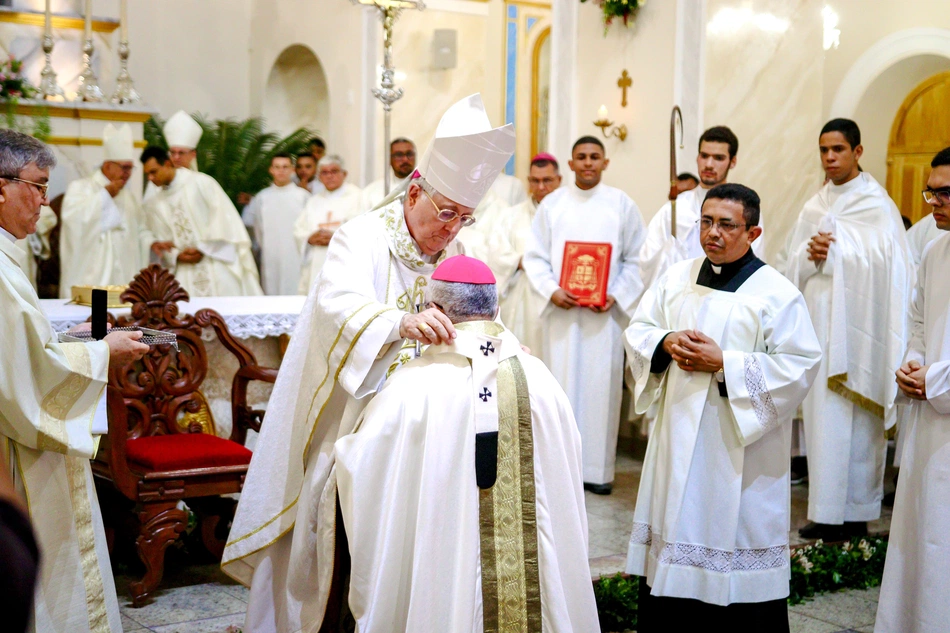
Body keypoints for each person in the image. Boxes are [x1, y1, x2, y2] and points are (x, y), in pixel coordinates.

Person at [222, 93, 514, 633]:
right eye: (445, 212)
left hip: (424, 423)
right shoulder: (362, 236)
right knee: (333, 526)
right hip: (350, 416)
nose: (451, 230)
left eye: (464, 218)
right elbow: (336, 303)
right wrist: (396, 322)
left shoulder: (453, 253)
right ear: (416, 190)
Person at [334, 254, 599, 632]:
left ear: (435, 310)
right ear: (495, 308)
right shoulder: (541, 378)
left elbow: (363, 467)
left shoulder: (412, 387)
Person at [624, 183, 821, 632]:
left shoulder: (777, 293)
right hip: (676, 438)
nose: (713, 233)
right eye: (707, 222)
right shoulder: (677, 277)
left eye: (727, 225)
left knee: (734, 549)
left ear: (753, 233)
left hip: (736, 450)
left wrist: (726, 365)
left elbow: (800, 365)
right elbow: (639, 328)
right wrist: (664, 341)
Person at [0, 129, 149, 633]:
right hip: (16, 449)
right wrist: (104, 351)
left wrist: (71, 337)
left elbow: (21, 347)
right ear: (1, 186)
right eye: (38, 186)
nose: (45, 201)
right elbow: (28, 376)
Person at [777, 118, 912, 541]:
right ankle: (825, 509)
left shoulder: (876, 202)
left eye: (838, 149)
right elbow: (789, 261)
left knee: (858, 422)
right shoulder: (815, 204)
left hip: (861, 331)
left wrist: (839, 255)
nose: (829, 158)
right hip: (820, 325)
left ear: (857, 152)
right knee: (823, 419)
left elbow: (893, 266)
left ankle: (858, 510)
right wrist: (809, 253)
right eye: (823, 150)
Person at [523, 135, 646, 494]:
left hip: (602, 318)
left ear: (605, 163)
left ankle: (597, 472)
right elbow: (535, 256)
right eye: (582, 157)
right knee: (560, 389)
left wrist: (615, 294)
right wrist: (552, 290)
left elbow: (637, 258)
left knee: (600, 391)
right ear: (571, 164)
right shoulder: (553, 205)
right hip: (562, 316)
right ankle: (559, 471)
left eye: (595, 157)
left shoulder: (621, 205)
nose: (589, 162)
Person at [875, 146, 950, 633]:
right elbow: (919, 321)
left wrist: (937, 380)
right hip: (930, 421)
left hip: (941, 398)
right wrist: (914, 364)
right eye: (931, 190)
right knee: (925, 533)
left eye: (943, 191)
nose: (932, 202)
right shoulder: (934, 249)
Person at [640, 126, 765, 288]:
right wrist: (668, 255)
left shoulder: (743, 209)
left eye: (718, 158)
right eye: (704, 156)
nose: (709, 164)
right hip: (678, 296)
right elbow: (646, 260)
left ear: (732, 162)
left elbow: (753, 260)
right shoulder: (675, 209)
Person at [141, 146, 263, 297]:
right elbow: (158, 240)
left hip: (215, 261)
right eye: (147, 174)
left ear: (167, 163)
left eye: (153, 172)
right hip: (183, 271)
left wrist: (202, 248)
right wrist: (176, 255)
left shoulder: (201, 183)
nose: (150, 179)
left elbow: (224, 221)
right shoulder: (154, 203)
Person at [480, 152, 561, 356]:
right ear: (528, 181)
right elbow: (496, 253)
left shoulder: (569, 215)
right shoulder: (512, 215)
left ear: (559, 180)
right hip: (522, 296)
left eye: (547, 180)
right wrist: (521, 261)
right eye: (535, 181)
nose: (541, 187)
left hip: (560, 297)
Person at [58, 123, 151, 296]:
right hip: (92, 281)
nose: (128, 173)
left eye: (130, 168)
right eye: (124, 167)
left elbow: (140, 231)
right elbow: (73, 223)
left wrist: (152, 243)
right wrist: (104, 196)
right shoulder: (80, 188)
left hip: (125, 281)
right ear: (108, 166)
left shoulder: (129, 198)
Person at [293, 154, 363, 294]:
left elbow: (363, 229)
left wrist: (336, 237)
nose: (329, 176)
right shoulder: (314, 201)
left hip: (346, 263)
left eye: (334, 171)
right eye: (324, 172)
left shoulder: (358, 197)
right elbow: (299, 230)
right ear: (319, 176)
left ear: (344, 174)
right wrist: (309, 238)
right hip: (317, 264)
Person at [248, 154, 310, 295]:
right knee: (271, 289)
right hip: (270, 254)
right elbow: (258, 229)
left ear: (292, 170)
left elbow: (307, 228)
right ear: (271, 170)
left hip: (295, 254)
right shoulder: (262, 197)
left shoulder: (303, 196)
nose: (281, 171)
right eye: (277, 167)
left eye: (285, 167)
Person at [144, 110, 203, 203]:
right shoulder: (156, 183)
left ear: (193, 154)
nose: (176, 157)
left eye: (181, 153)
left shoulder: (201, 183)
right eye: (172, 152)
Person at [361, 137, 416, 211]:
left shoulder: (426, 187)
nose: (405, 159)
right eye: (399, 155)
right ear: (389, 159)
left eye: (409, 154)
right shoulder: (371, 192)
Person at [14, 203, 56, 291]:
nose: (46, 200)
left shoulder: (20, 191)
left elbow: (49, 217)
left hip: (18, 241)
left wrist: (32, 227)